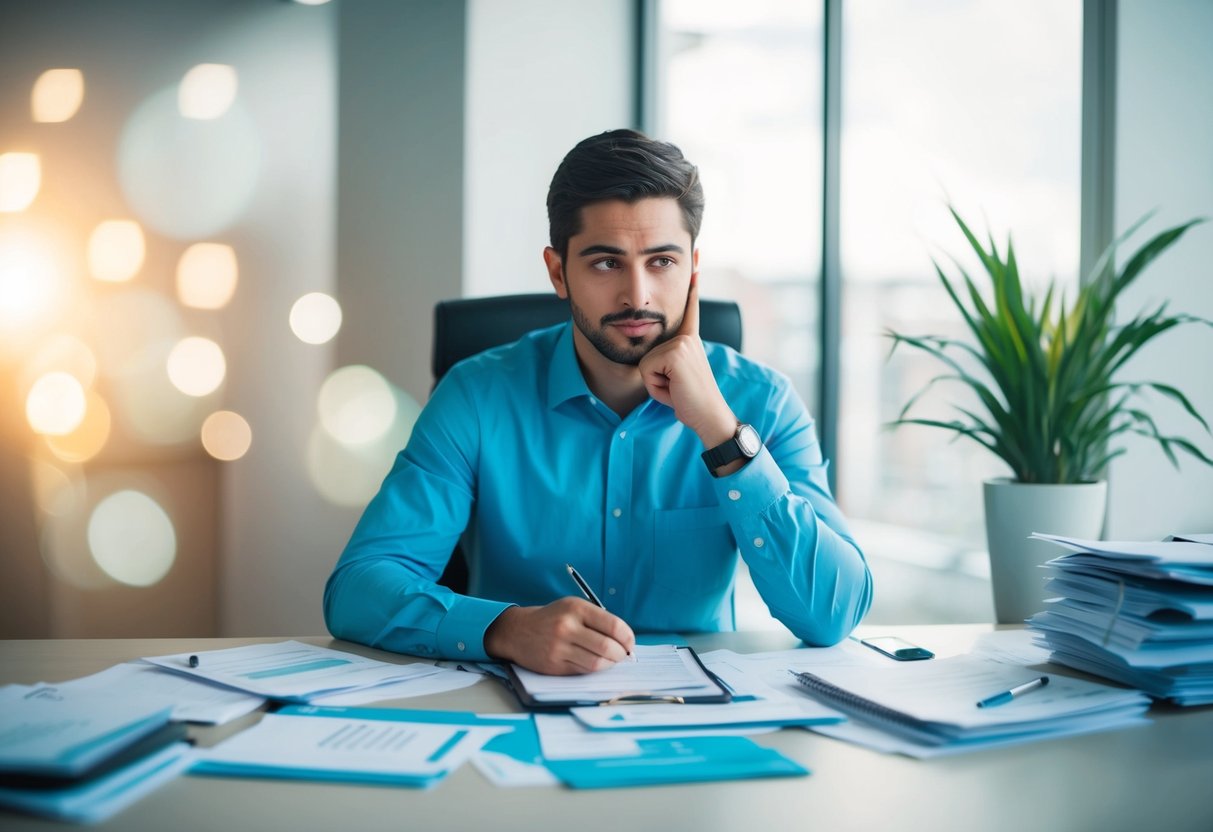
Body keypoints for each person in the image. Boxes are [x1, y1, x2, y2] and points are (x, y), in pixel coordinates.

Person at [323, 129, 873, 675]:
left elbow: (832, 614)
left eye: (661, 262)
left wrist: (721, 433)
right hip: (519, 713)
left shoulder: (762, 401)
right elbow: (359, 588)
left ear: (693, 269)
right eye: (607, 263)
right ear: (558, 272)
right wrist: (507, 629)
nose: (637, 294)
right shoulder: (477, 396)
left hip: (700, 722)